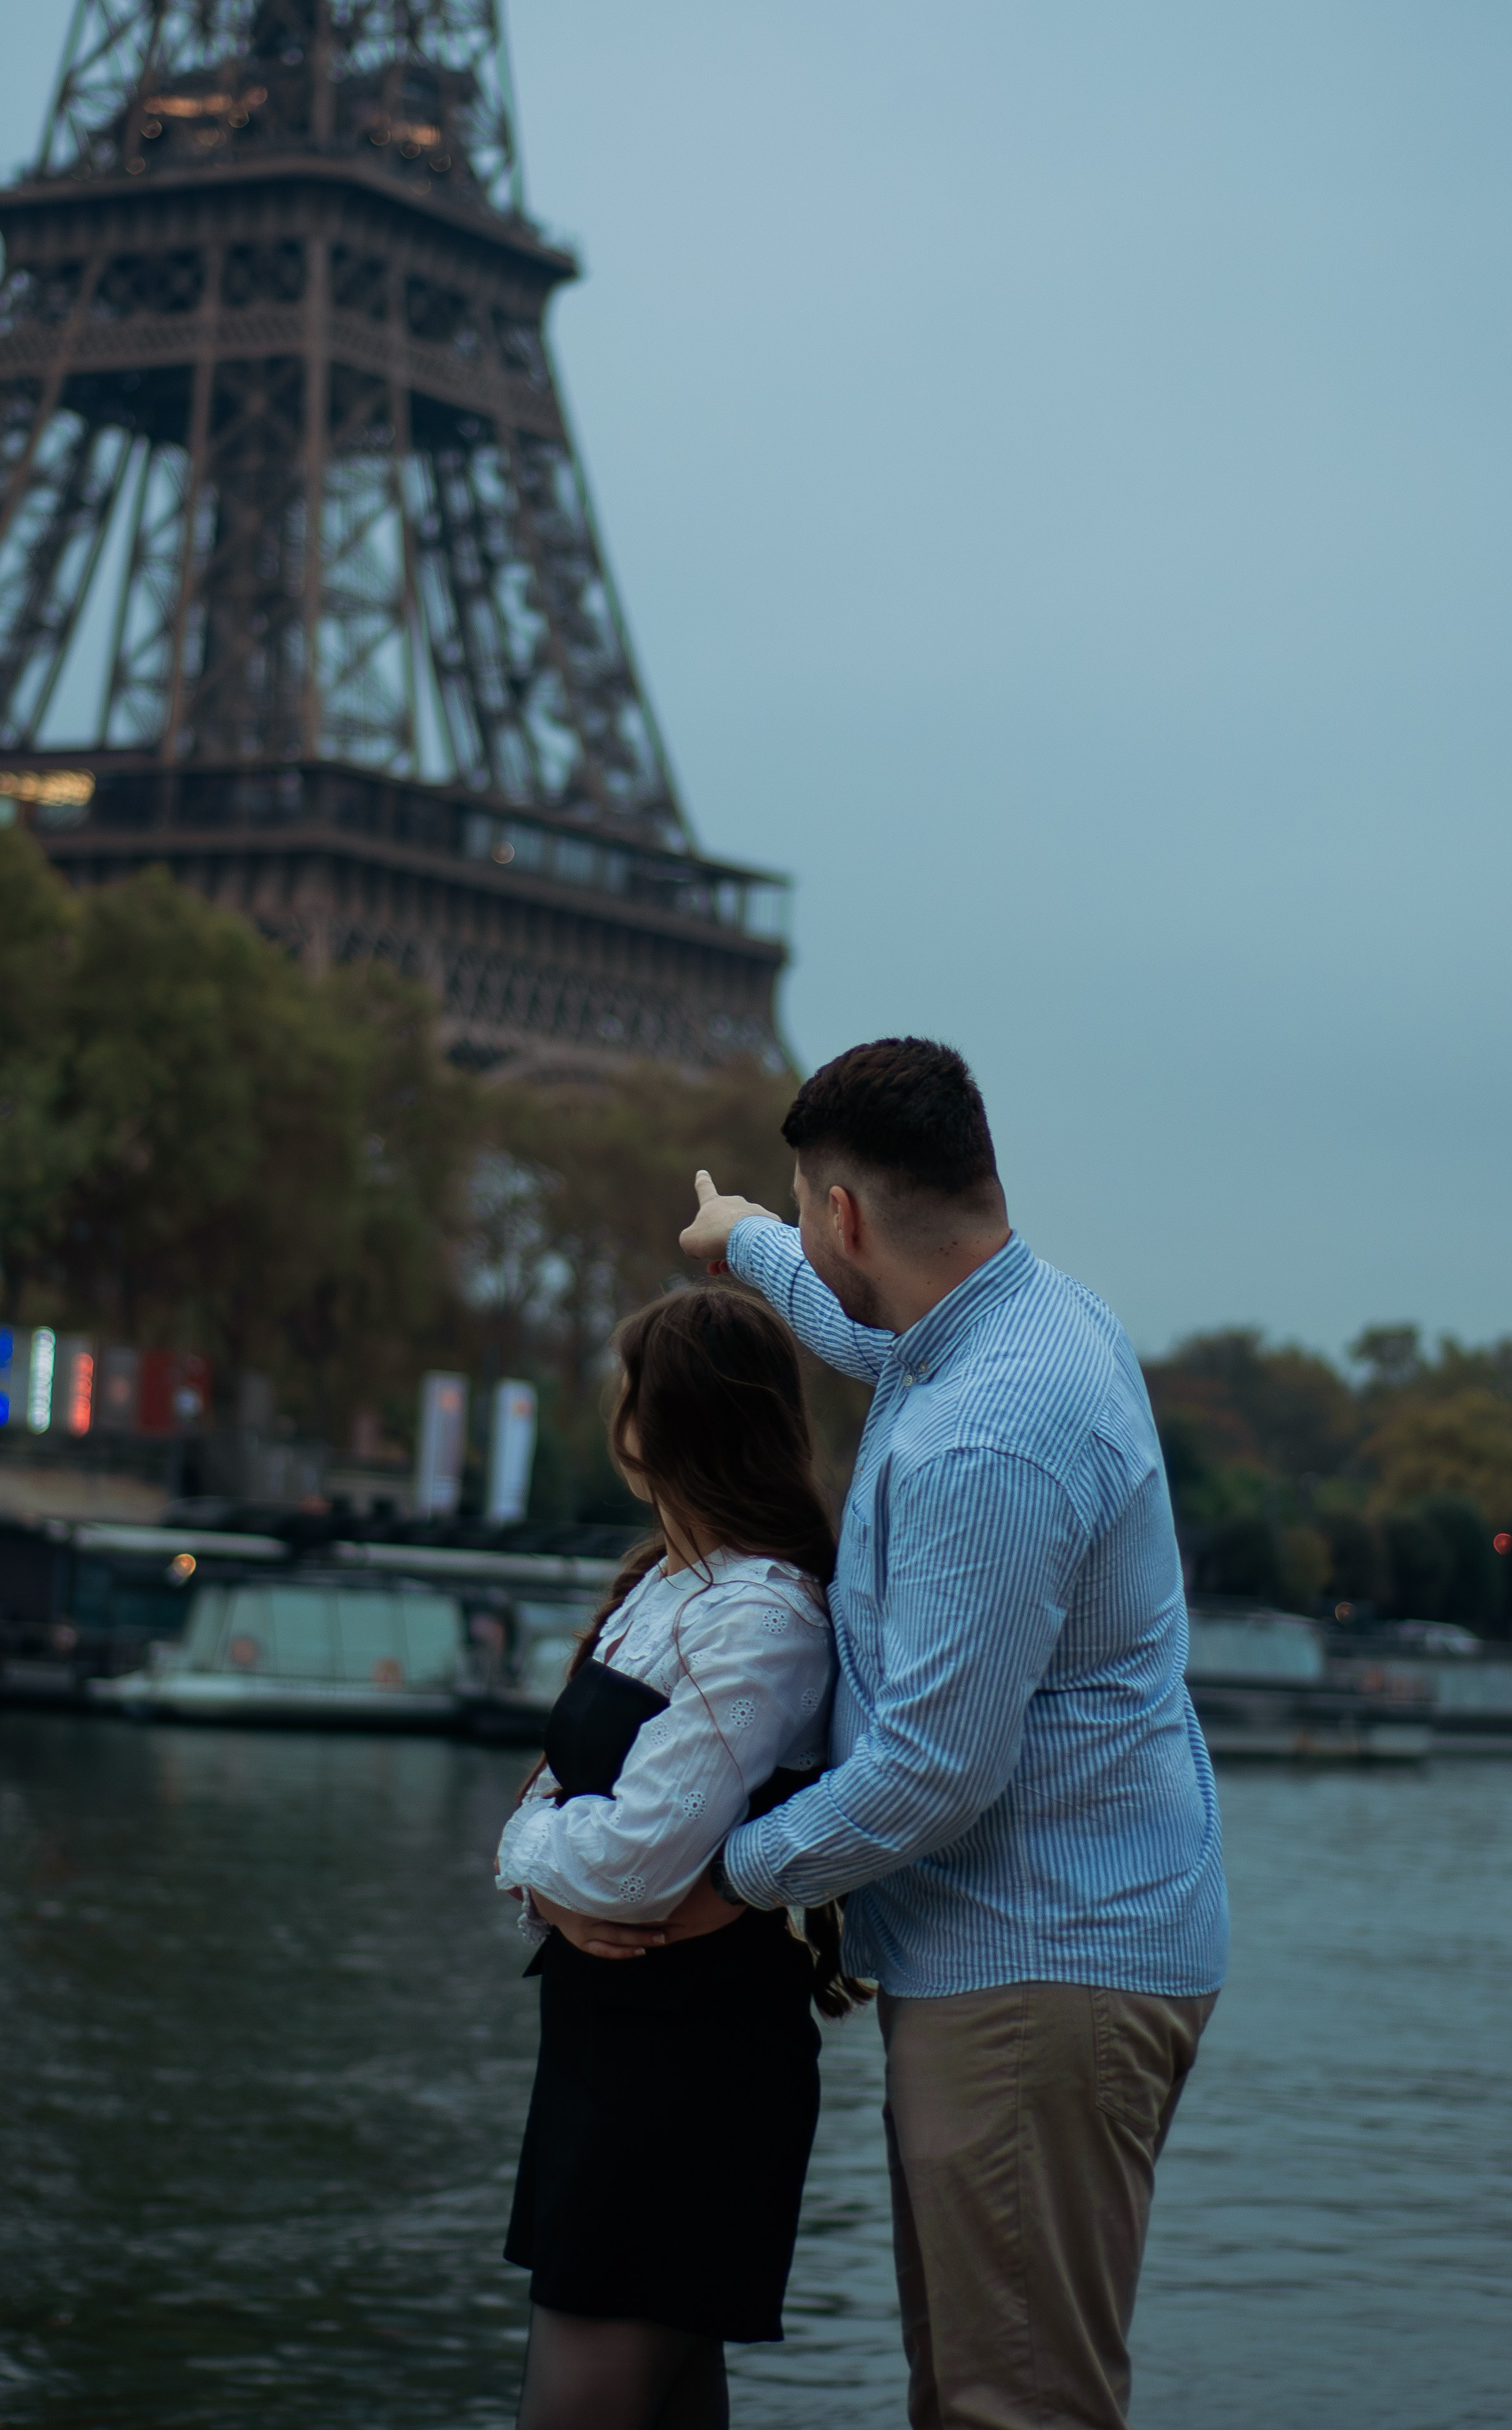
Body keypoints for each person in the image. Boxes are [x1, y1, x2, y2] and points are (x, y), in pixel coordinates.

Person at [595, 1037, 1229, 2430]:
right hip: (1068, 1941)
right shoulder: (1031, 1319)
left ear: (851, 1214)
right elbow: (870, 1335)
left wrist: (718, 1876)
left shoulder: (983, 1438)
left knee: (1008, 2405)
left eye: (805, 1215)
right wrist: (747, 1241)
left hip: (1030, 1967)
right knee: (978, 2389)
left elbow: (933, 1772)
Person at [493, 1285, 864, 2430]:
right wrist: (544, 1882)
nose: (617, 1411)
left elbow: (629, 1866)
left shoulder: (760, 1617)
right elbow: (548, 1822)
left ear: (664, 1423)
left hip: (687, 2066)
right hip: (619, 2047)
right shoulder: (667, 1585)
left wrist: (543, 1869)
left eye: (628, 1390)